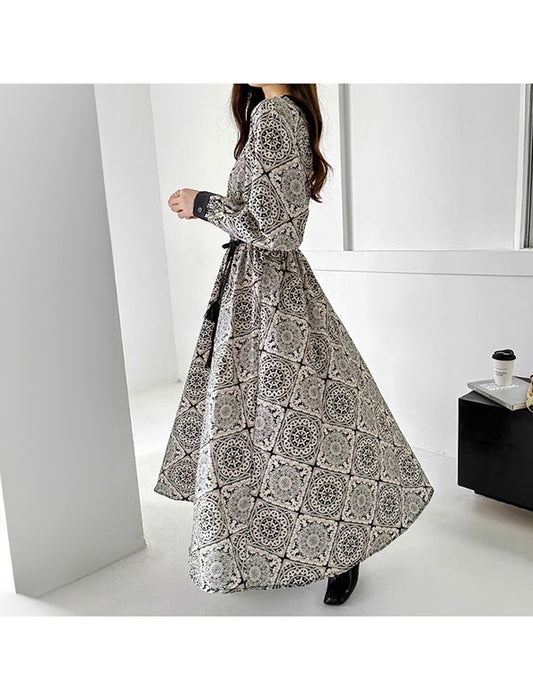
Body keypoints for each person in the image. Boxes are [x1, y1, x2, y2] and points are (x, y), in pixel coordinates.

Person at [154, 83, 434, 605]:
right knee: (277, 422)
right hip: (258, 288)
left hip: (267, 292)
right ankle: (270, 543)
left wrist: (202, 203)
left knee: (295, 422)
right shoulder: (283, 114)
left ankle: (337, 548)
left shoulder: (275, 115)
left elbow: (274, 230)